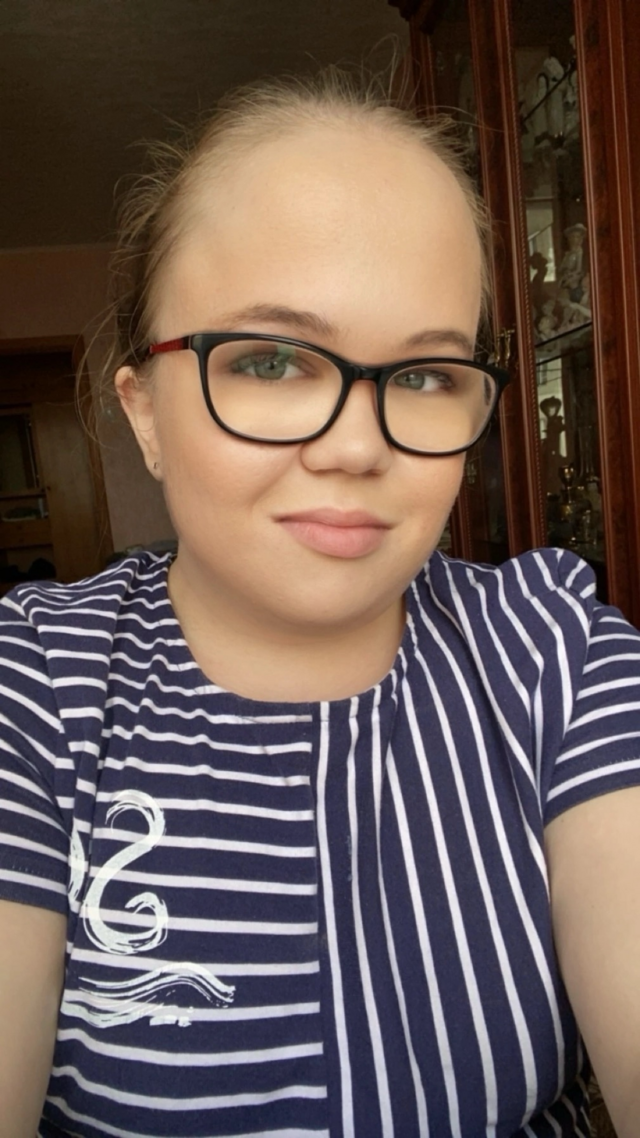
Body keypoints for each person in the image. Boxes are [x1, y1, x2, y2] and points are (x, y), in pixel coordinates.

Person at [1, 67, 640, 1138]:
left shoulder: (553, 653)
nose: (355, 446)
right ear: (143, 409)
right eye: (269, 361)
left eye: (425, 375)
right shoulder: (33, 687)